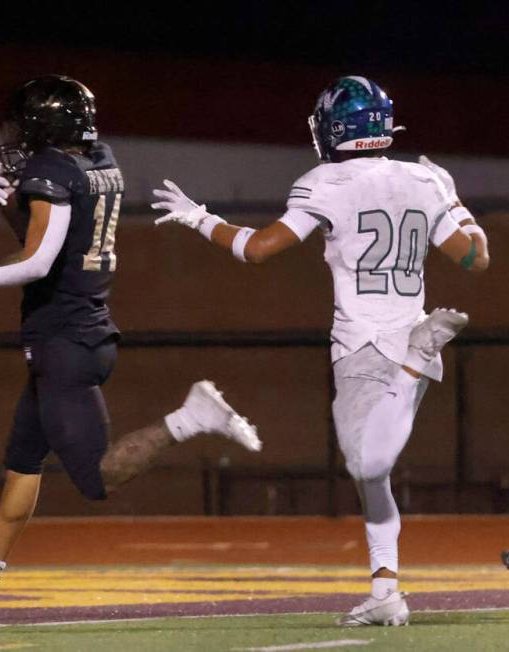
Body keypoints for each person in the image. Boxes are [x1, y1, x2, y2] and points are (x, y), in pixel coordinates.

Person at [151, 76, 489, 627]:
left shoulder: (325, 181)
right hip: (412, 325)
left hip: (365, 342)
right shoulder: (424, 180)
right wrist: (454, 200)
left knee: (365, 462)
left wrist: (199, 218)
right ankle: (386, 590)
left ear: (336, 129)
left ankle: (408, 369)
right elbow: (476, 260)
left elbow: (257, 250)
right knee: (372, 477)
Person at [0, 75, 262, 609]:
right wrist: (5, 203)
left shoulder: (53, 171)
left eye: (22, 127)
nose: (14, 137)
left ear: (43, 128)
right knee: (22, 462)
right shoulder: (98, 159)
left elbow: (37, 260)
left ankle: (191, 417)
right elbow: (54, 238)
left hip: (67, 341)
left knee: (97, 479)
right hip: (73, 331)